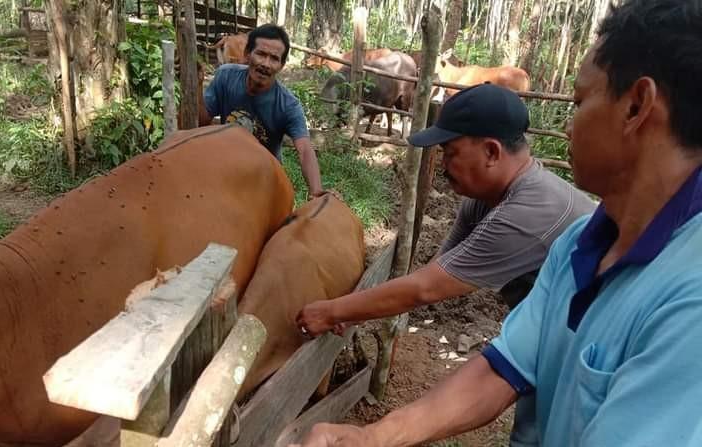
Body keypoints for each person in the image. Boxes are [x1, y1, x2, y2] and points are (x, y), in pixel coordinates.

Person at [291, 0, 702, 445]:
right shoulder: (579, 243)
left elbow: (426, 289)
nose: (567, 126)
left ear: (636, 107)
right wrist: (374, 437)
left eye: (580, 101)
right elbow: (506, 366)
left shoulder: (689, 302)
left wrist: (333, 310)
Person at [295, 83, 595, 337]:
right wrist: (353, 312)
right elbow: (436, 270)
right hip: (557, 325)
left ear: (491, 152)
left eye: (450, 154)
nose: (442, 165)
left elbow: (426, 290)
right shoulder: (483, 198)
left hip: (598, 338)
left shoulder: (527, 212)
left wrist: (331, 310)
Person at [199, 24, 324, 198]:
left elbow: (304, 150)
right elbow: (201, 121)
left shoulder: (288, 105)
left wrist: (316, 191)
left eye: (274, 58)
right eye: (261, 54)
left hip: (264, 178)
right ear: (247, 54)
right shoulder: (226, 77)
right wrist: (197, 87)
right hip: (224, 166)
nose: (266, 64)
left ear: (281, 65)